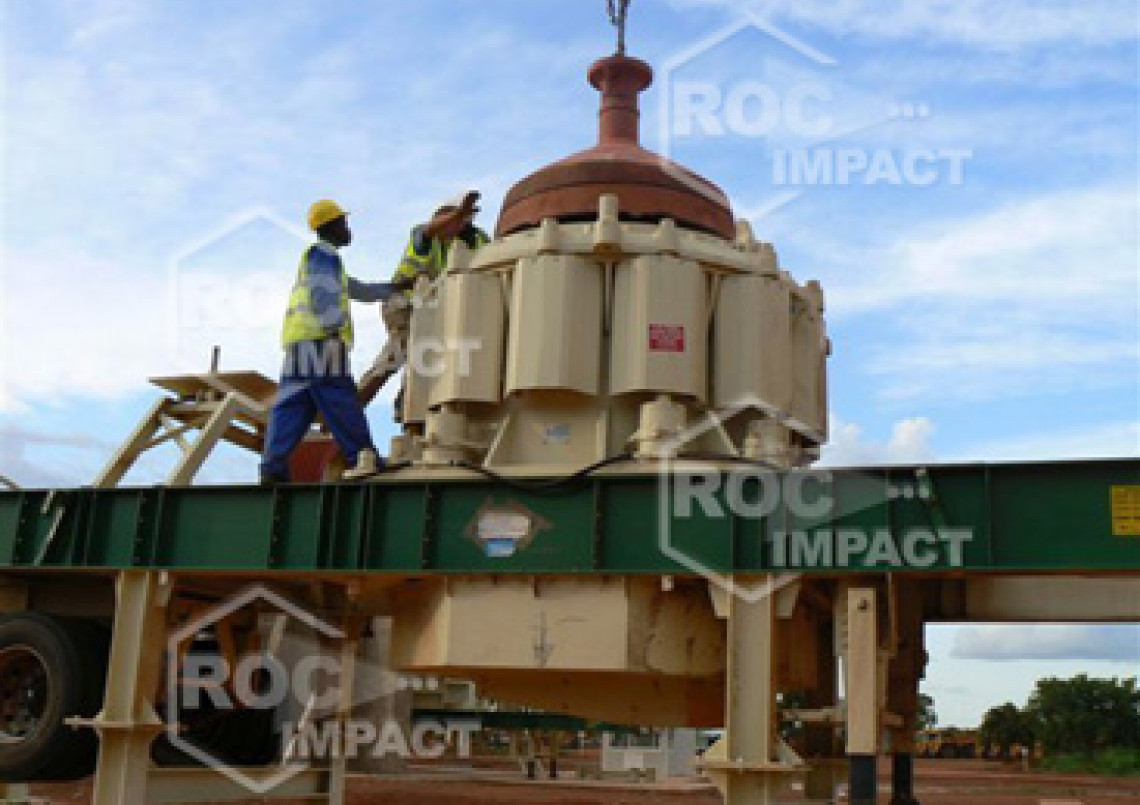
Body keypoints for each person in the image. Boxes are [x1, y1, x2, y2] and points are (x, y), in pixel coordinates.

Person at [260, 199, 411, 483]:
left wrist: (395, 288)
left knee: (292, 408)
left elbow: (360, 290)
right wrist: (332, 332)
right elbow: (322, 294)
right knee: (341, 401)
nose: (347, 229)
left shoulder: (320, 258)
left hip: (299, 346)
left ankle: (272, 468)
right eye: (344, 223)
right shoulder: (324, 255)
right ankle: (363, 458)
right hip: (322, 343)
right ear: (332, 226)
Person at [357, 190, 490, 409]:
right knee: (403, 348)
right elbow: (429, 231)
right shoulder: (425, 234)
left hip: (432, 308)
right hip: (402, 303)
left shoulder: (476, 239)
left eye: (465, 218)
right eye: (453, 217)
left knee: (428, 356)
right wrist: (457, 215)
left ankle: (406, 403)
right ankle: (356, 401)